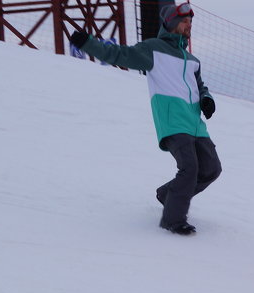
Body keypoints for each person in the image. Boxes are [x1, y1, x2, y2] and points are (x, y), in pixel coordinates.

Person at [69, 3, 221, 235]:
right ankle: (173, 219)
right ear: (171, 23)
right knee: (189, 168)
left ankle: (167, 195)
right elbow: (120, 54)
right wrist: (88, 43)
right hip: (172, 122)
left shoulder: (192, 60)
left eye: (190, 22)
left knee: (211, 169)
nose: (189, 26)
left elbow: (200, 86)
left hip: (195, 124)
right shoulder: (153, 50)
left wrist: (207, 99)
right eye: (184, 22)